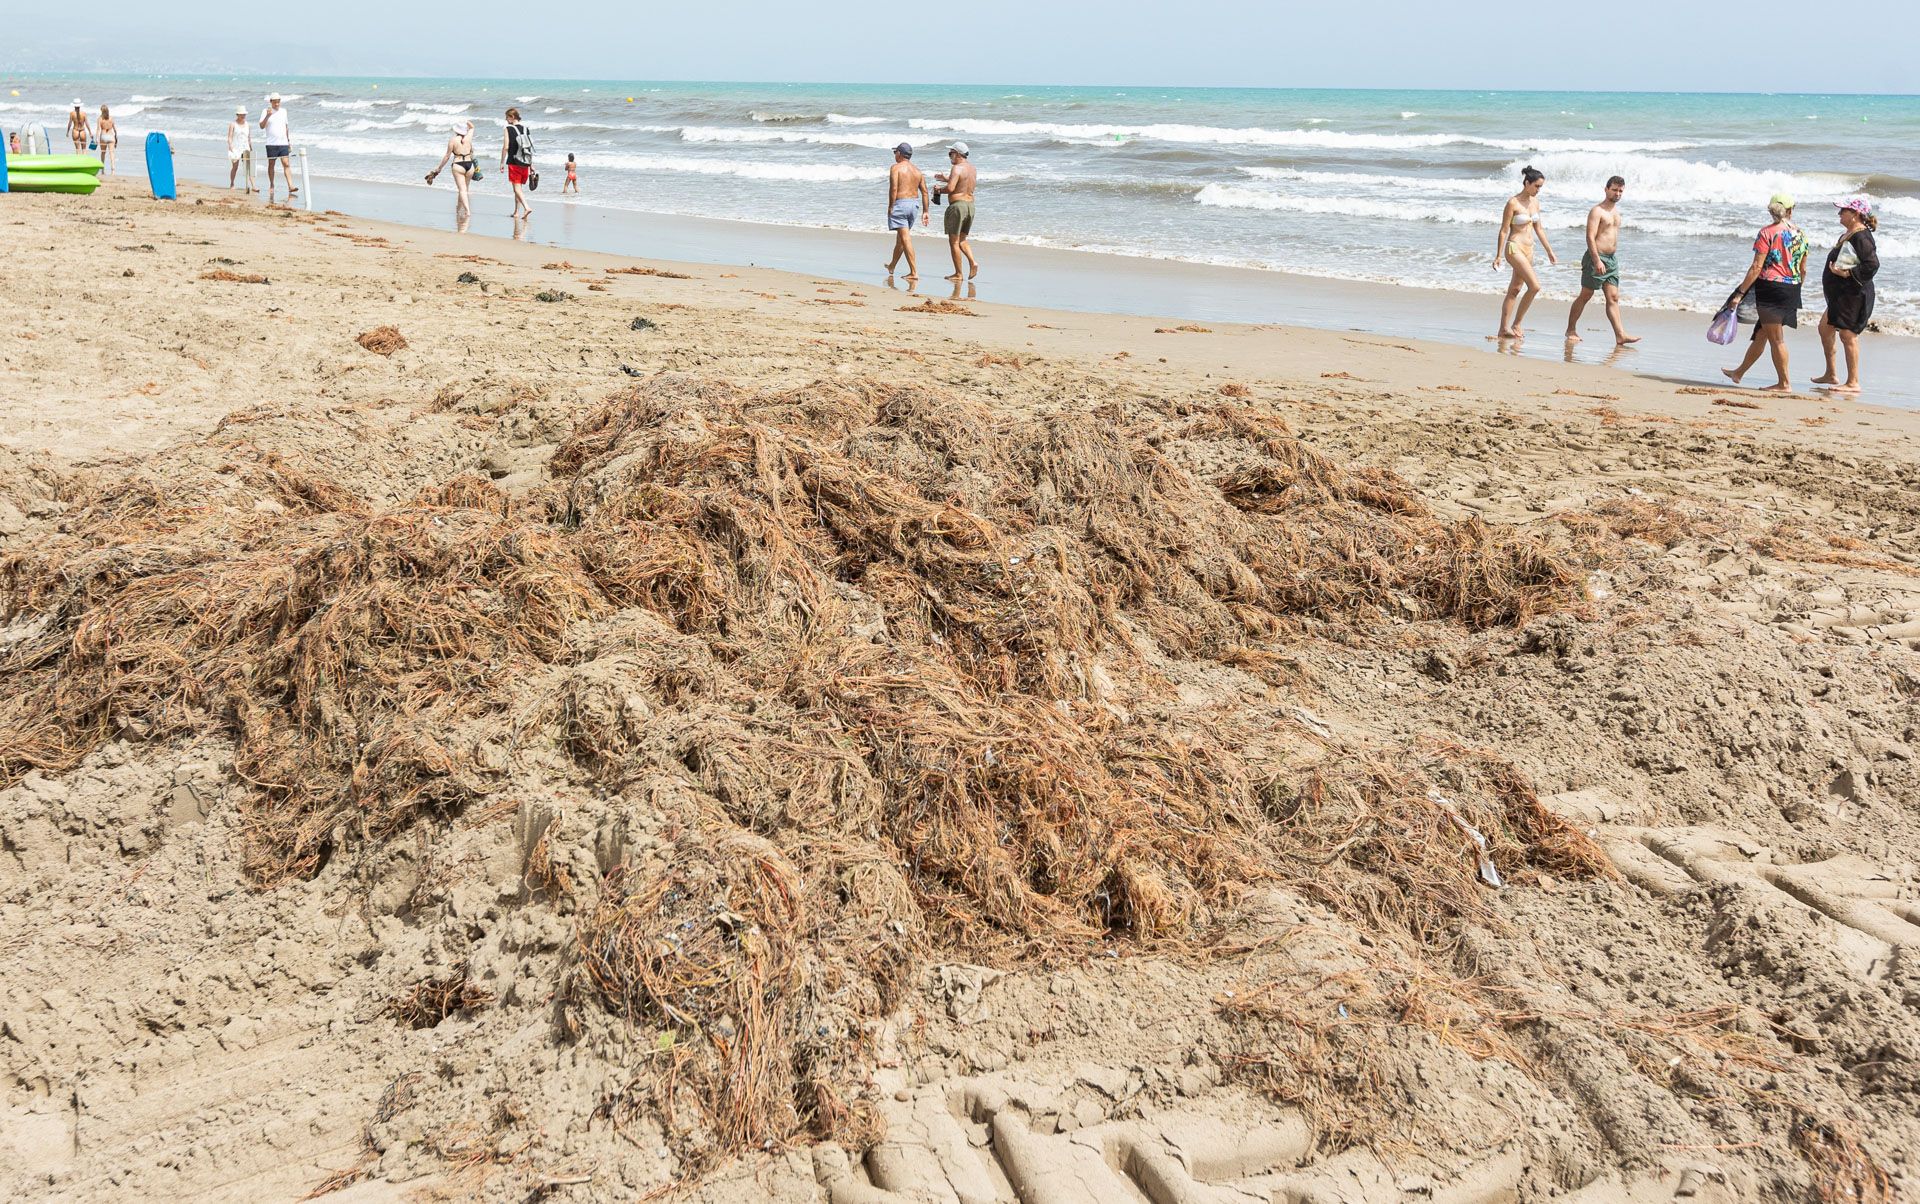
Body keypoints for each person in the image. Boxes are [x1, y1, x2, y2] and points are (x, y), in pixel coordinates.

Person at [1722, 193, 1807, 392]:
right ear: (1789, 211)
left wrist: (1739, 293)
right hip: (1792, 288)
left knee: (1776, 338)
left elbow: (1756, 267)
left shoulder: (1766, 233)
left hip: (1771, 289)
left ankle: (1784, 383)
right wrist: (1795, 291)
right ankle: (1739, 373)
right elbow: (1803, 269)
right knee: (1762, 333)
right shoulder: (1801, 234)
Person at [1812, 197, 1881, 394]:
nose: (1840, 213)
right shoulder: (1850, 233)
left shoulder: (1862, 236)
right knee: (1824, 329)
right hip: (1841, 295)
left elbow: (1872, 264)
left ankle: (1853, 382)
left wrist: (1847, 274)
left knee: (1847, 335)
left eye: (1844, 210)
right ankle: (1831, 373)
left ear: (1855, 214)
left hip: (1854, 295)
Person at [1565, 175, 1637, 346]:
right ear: (1606, 189)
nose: (1617, 193)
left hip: (1611, 260)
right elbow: (1590, 237)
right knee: (1586, 295)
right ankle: (1571, 329)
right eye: (1614, 190)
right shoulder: (1597, 211)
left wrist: (1609, 259)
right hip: (1596, 258)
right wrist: (1597, 260)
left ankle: (1620, 335)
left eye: (1620, 191)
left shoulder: (1616, 213)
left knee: (1613, 297)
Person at [1493, 166, 1557, 339]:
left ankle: (1502, 329)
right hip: (1514, 248)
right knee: (1535, 286)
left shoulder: (1535, 203)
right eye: (1536, 186)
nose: (1538, 190)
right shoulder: (1513, 203)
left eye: (1540, 187)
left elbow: (1539, 229)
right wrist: (1498, 255)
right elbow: (1504, 230)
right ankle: (1516, 324)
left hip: (1529, 250)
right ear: (1527, 183)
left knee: (1515, 290)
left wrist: (1549, 251)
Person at [884, 142, 930, 279]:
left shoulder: (896, 168)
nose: (894, 155)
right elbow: (925, 192)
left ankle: (914, 272)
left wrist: (891, 206)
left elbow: (893, 189)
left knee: (905, 238)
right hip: (914, 205)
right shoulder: (917, 171)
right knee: (901, 239)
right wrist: (926, 211)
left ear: (899, 153)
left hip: (901, 204)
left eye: (895, 152)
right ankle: (892, 266)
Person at [934, 141, 979, 281]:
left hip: (957, 207)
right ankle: (973, 262)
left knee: (953, 241)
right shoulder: (972, 168)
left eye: (951, 153)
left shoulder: (957, 168)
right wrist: (946, 179)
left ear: (958, 154)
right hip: (970, 206)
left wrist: (939, 190)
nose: (950, 156)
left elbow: (951, 189)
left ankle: (958, 274)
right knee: (962, 239)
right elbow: (963, 183)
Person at [426, 120, 479, 231]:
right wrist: (467, 122)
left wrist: (439, 168)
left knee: (462, 190)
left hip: (458, 165)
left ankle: (468, 211)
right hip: (470, 165)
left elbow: (447, 156)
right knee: (465, 189)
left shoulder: (453, 140)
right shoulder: (469, 137)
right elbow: (472, 126)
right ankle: (460, 209)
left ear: (456, 131)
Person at [258, 93, 296, 204]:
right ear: (271, 101)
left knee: (286, 163)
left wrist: (288, 141)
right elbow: (261, 126)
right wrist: (267, 116)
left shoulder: (284, 111)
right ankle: (272, 184)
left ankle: (290, 186)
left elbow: (286, 127)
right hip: (271, 143)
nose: (277, 103)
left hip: (283, 142)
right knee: (271, 164)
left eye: (278, 101)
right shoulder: (266, 111)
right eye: (274, 101)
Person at [501, 108, 535, 218]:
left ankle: (527, 207)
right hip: (525, 162)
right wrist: (531, 164)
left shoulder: (508, 129)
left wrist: (502, 162)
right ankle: (516, 212)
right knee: (518, 188)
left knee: (516, 188)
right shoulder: (526, 129)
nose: (506, 120)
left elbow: (505, 147)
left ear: (512, 117)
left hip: (513, 161)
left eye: (507, 117)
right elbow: (528, 148)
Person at [228, 106, 253, 191]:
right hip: (235, 148)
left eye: (244, 114)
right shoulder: (233, 124)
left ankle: (250, 185)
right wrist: (230, 146)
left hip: (246, 147)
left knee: (248, 167)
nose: (243, 116)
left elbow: (249, 137)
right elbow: (230, 137)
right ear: (237, 114)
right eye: (241, 114)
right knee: (235, 167)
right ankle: (232, 183)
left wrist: (251, 147)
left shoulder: (247, 125)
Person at [95, 105, 118, 175]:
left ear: (102, 111)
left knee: (103, 153)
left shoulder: (100, 119)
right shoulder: (111, 118)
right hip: (111, 136)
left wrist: (96, 138)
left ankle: (102, 170)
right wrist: (116, 139)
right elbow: (115, 130)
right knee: (112, 153)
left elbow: (98, 129)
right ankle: (113, 170)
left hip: (103, 136)